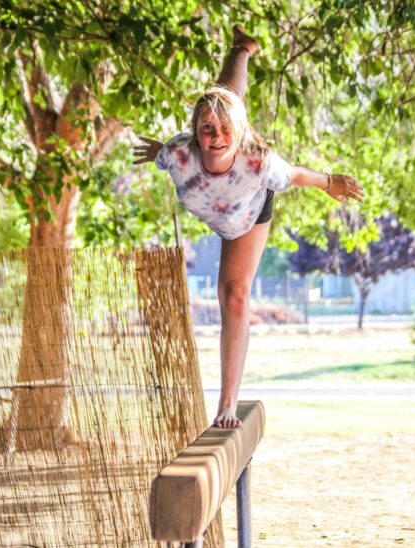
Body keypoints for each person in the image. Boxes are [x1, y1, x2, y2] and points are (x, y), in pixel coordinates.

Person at [133, 25, 363, 429]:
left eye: (225, 131)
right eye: (207, 130)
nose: (216, 137)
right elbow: (177, 144)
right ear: (195, 133)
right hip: (218, 208)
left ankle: (226, 402)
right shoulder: (179, 154)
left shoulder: (258, 162)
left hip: (249, 213)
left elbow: (294, 175)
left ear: (238, 136)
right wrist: (157, 151)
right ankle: (242, 46)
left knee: (235, 297)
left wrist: (330, 182)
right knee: (222, 100)